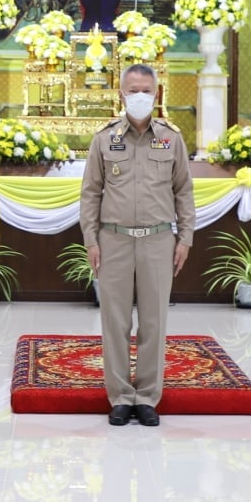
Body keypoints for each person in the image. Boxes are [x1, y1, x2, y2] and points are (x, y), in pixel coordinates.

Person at [79, 64, 195, 426]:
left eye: (146, 90)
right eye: (133, 90)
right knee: (114, 322)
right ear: (121, 94)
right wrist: (91, 240)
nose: (140, 96)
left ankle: (146, 396)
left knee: (153, 321)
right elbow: (90, 194)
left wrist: (185, 238)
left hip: (158, 240)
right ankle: (119, 397)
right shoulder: (104, 138)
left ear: (156, 94)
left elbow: (184, 192)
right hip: (113, 240)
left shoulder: (171, 138)